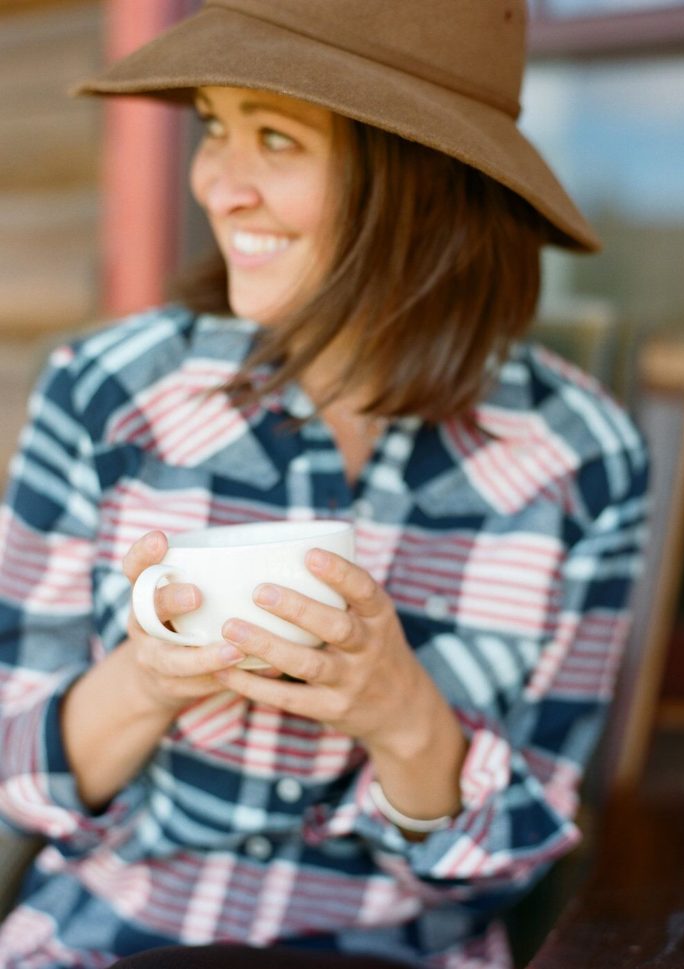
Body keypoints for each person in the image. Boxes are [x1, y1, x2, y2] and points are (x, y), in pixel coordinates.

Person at [0, 1, 649, 967]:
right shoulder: (109, 392)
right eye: (216, 126)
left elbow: (515, 857)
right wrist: (145, 676)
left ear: (421, 180)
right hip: (106, 938)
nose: (220, 184)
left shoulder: (580, 456)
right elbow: (18, 771)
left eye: (276, 138)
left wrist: (399, 710)